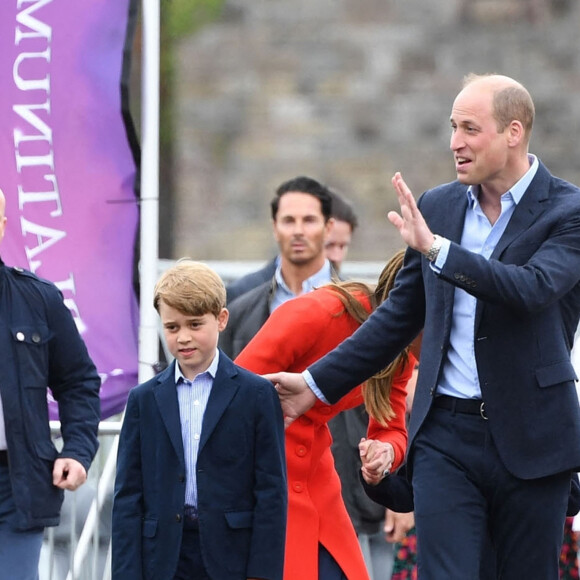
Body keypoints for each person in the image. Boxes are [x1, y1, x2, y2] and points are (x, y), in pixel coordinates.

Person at [267, 73, 580, 579]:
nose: (455, 142)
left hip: (535, 436)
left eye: (470, 129)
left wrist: (436, 249)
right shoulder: (437, 206)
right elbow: (397, 317)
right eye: (452, 127)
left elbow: (530, 289)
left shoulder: (569, 211)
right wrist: (314, 384)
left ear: (514, 132)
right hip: (444, 438)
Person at [235, 251, 417, 580]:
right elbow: (234, 393)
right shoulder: (319, 312)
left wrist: (385, 452)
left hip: (318, 477)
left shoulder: (402, 354)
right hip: (263, 473)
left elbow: (391, 426)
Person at [111, 260, 287, 580]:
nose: (183, 338)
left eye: (195, 324)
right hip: (162, 559)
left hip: (232, 556)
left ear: (221, 320)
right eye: (172, 327)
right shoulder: (143, 400)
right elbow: (128, 496)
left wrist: (262, 572)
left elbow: (271, 492)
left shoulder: (257, 395)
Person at [0, 188, 101, 580]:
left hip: (17, 484)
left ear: (3, 226)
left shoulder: (37, 299)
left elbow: (77, 382)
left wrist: (77, 450)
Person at [220, 175, 338, 359]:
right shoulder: (239, 309)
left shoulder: (359, 307)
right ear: (275, 228)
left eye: (309, 220)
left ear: (328, 228)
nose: (298, 231)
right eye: (289, 220)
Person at [225, 188, 358, 304]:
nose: (336, 256)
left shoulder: (355, 301)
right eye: (328, 245)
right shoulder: (241, 294)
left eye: (342, 246)